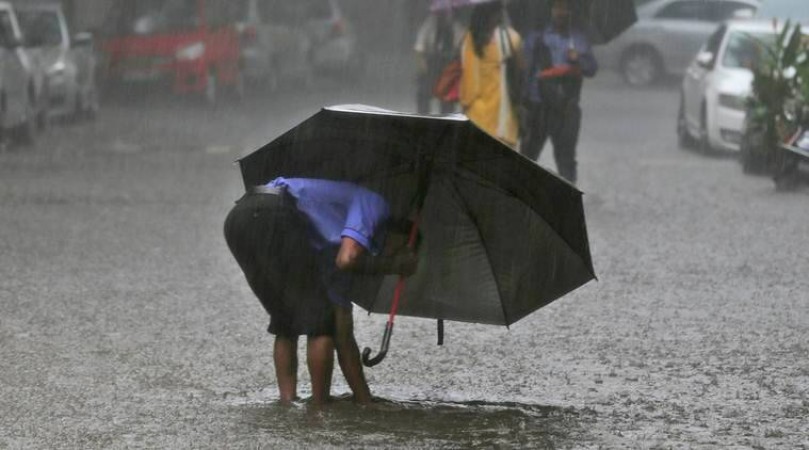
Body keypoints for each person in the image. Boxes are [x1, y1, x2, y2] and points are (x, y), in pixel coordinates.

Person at [224, 178, 416, 405]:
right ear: (398, 235)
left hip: (239, 220)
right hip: (272, 212)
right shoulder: (374, 204)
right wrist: (394, 265)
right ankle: (319, 405)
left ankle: (287, 402)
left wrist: (364, 400)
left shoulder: (333, 244)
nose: (392, 257)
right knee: (322, 322)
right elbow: (348, 259)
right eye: (399, 251)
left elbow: (344, 334)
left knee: (286, 319)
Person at [520, 0, 597, 184]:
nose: (561, 12)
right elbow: (525, 71)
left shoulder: (578, 39)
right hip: (538, 107)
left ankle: (567, 203)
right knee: (527, 158)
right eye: (557, 7)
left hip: (566, 109)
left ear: (571, 12)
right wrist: (523, 105)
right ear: (551, 10)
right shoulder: (536, 38)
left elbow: (592, 68)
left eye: (565, 8)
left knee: (566, 161)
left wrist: (579, 58)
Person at [459, 3, 523, 148]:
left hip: (475, 115)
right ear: (497, 14)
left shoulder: (467, 40)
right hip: (502, 119)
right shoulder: (510, 39)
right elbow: (520, 72)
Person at [414, 9, 466, 114]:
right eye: (442, 13)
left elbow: (463, 48)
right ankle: (423, 118)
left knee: (447, 100)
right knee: (423, 94)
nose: (444, 16)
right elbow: (419, 48)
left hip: (448, 66)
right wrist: (423, 67)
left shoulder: (456, 27)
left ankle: (446, 119)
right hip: (431, 65)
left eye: (447, 14)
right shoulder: (430, 24)